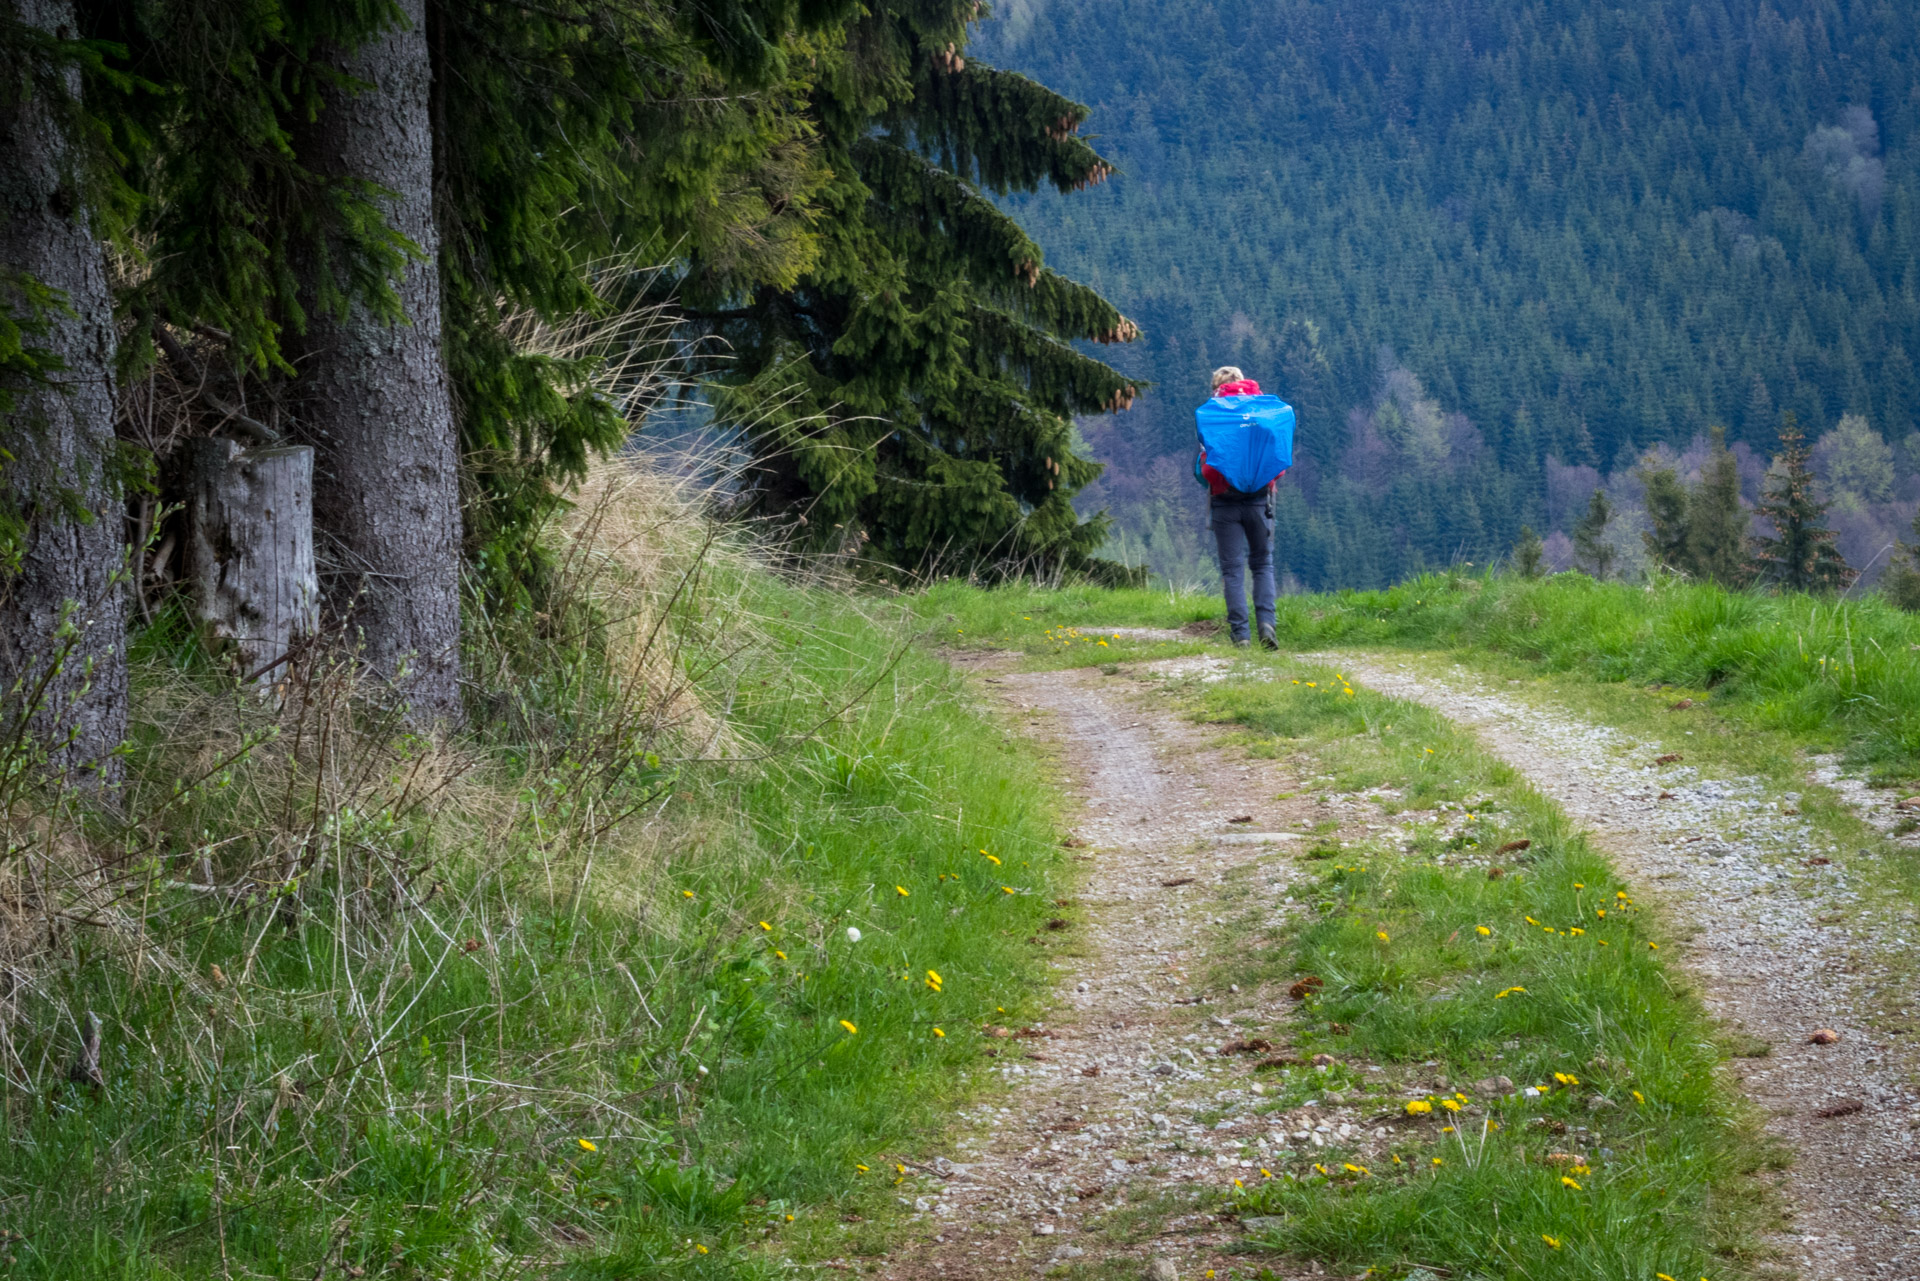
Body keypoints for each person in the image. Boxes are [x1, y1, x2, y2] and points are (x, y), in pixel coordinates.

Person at [1195, 366, 1278, 649]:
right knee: (1263, 565)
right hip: (1259, 504)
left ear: (1216, 388)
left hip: (1224, 505)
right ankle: (1267, 625)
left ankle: (1240, 636)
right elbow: (1277, 466)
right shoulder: (1261, 415)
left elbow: (1207, 472)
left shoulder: (1213, 417)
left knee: (1232, 570)